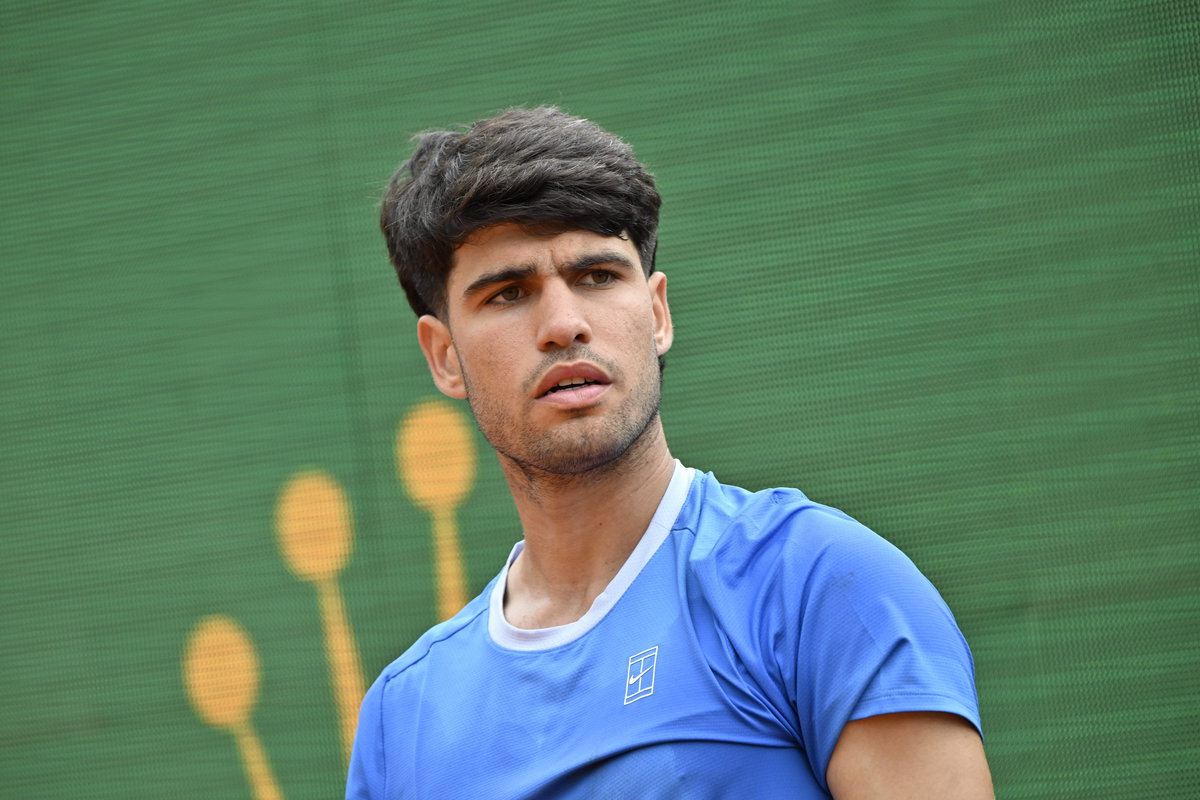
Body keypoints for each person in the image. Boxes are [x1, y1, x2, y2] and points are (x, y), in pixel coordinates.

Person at [347, 106, 993, 799]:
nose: (564, 324)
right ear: (444, 357)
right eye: (509, 293)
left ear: (657, 314)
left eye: (598, 275)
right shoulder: (400, 718)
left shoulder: (823, 583)